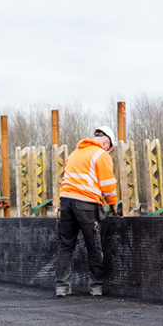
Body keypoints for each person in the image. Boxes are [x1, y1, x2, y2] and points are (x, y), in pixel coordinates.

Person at [55, 126, 118, 297]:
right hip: (87, 204)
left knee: (66, 245)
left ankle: (62, 287)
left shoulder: (74, 154)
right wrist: (114, 205)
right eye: (110, 148)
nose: (108, 150)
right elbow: (108, 187)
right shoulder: (101, 155)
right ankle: (96, 287)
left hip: (66, 202)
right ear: (106, 142)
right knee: (93, 246)